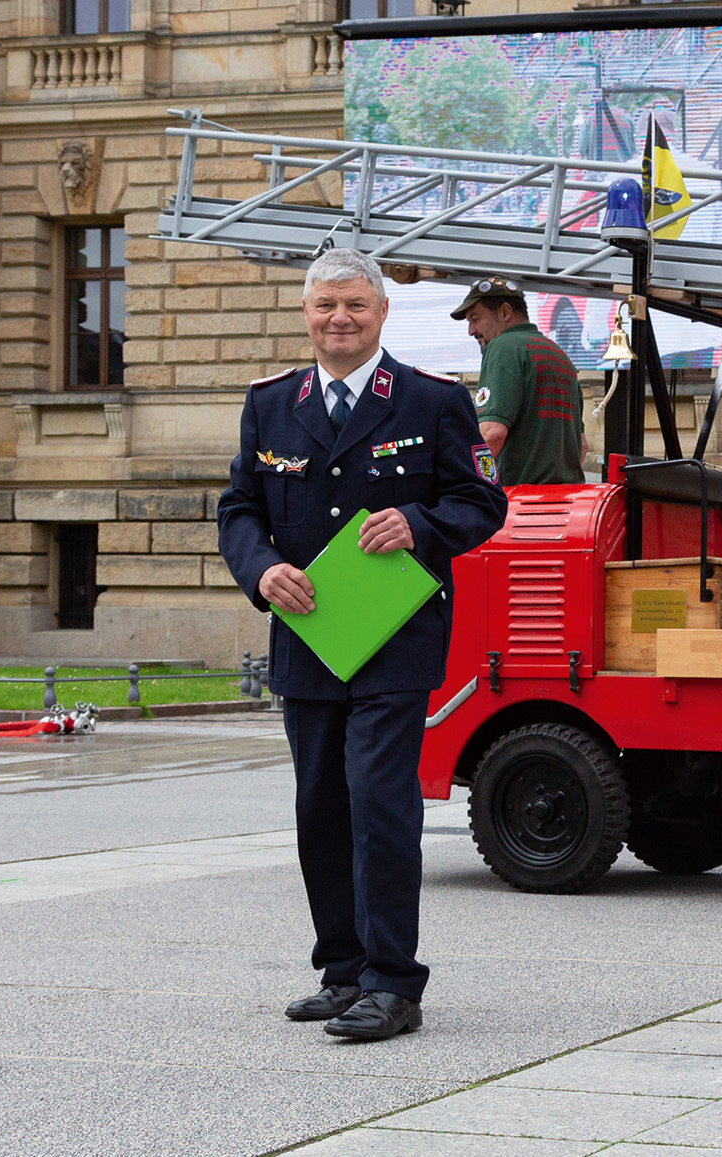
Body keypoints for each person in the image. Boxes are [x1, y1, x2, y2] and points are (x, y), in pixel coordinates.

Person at [217, 249, 507, 1041]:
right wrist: (262, 568)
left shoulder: (431, 399)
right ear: (306, 314)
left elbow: (483, 502)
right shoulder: (271, 404)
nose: (339, 319)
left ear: (382, 314)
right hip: (309, 640)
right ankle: (342, 972)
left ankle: (392, 982)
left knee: (379, 803)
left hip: (394, 640)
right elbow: (238, 507)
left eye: (354, 305)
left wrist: (418, 523)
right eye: (324, 306)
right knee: (320, 809)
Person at [452, 277, 586, 486]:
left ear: (505, 312)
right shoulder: (560, 356)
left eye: (475, 318)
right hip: (567, 501)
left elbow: (491, 434)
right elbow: (582, 445)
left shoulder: (503, 346)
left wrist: (464, 482)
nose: (471, 330)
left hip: (519, 501)